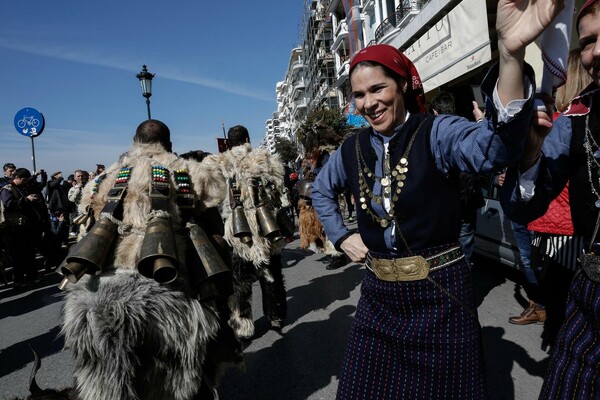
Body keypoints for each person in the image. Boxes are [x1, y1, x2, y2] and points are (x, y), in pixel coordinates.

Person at [311, 0, 561, 397]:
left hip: (439, 294)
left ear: (404, 86)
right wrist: (341, 236)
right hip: (378, 297)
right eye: (359, 95)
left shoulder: (438, 131)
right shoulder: (351, 148)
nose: (368, 103)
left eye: (378, 88)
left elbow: (492, 151)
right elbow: (320, 190)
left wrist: (510, 56)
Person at [59, 119, 241, 399]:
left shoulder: (104, 177)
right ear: (168, 144)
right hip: (169, 290)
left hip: (100, 295)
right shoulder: (188, 170)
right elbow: (215, 200)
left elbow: (84, 208)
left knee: (107, 384)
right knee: (174, 383)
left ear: (134, 141)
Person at [499, 1, 600, 396]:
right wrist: (528, 154)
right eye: (588, 41)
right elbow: (525, 206)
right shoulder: (576, 119)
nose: (595, 53)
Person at [204, 125, 288, 334]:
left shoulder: (218, 164)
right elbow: (279, 190)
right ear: (248, 139)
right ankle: (275, 316)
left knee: (239, 280)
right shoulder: (266, 159)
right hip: (266, 227)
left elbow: (210, 199)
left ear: (228, 143)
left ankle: (243, 325)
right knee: (272, 274)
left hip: (235, 231)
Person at [429, 92, 485, 268]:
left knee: (444, 253)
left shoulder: (433, 133)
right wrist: (481, 122)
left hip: (445, 204)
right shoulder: (467, 127)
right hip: (467, 200)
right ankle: (464, 289)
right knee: (465, 250)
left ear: (435, 112)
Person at [0, 168, 44, 289]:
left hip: (26, 227)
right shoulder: (7, 190)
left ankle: (32, 277)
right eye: (24, 180)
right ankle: (18, 281)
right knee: (17, 256)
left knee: (29, 253)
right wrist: (26, 199)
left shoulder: (21, 188)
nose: (26, 182)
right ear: (17, 178)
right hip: (15, 228)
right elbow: (8, 205)